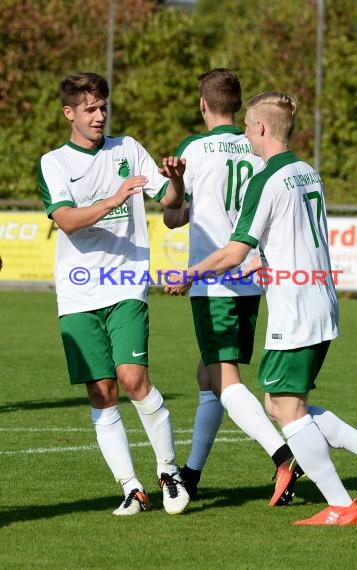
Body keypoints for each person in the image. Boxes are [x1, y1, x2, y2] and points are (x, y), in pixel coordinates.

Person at [165, 90, 357, 524]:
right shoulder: (307, 172)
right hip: (319, 301)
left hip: (295, 310)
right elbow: (282, 240)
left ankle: (341, 504)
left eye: (247, 128)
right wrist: (259, 265)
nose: (245, 135)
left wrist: (189, 273)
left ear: (260, 128)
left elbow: (235, 250)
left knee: (288, 411)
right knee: (278, 404)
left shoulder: (267, 179)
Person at [38, 72, 190, 516]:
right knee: (101, 391)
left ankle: (169, 473)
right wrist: (114, 197)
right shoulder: (54, 162)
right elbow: (65, 220)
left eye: (103, 107)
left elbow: (169, 201)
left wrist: (176, 181)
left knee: (132, 379)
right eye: (90, 109)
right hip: (78, 292)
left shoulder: (127, 148)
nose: (100, 115)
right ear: (70, 113)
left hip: (126, 282)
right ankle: (131, 487)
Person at [164, 68, 304, 505]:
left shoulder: (193, 149)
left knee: (224, 380)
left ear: (202, 104)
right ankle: (191, 474)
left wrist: (177, 185)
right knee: (208, 376)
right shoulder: (257, 144)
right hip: (249, 277)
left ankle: (284, 455)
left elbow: (171, 214)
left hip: (214, 277)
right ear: (240, 105)